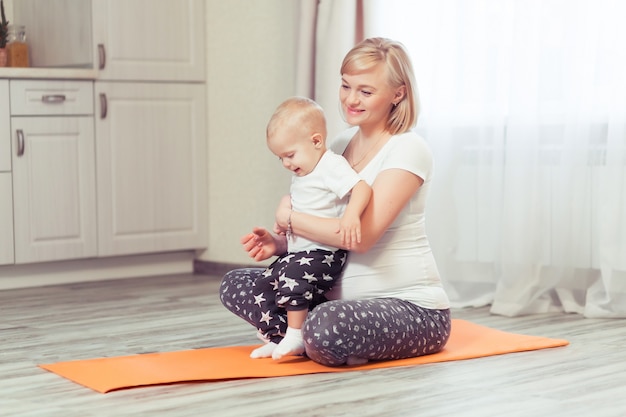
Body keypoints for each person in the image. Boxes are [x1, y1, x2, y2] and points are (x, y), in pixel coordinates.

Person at [220, 37, 451, 366]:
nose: (351, 100)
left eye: (365, 91)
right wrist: (284, 243)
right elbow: (326, 227)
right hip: (329, 299)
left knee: (326, 326)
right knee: (237, 283)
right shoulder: (339, 145)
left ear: (398, 94)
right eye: (346, 86)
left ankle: (308, 335)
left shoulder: (408, 149)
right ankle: (304, 336)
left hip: (410, 307)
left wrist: (290, 218)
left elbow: (360, 236)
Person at [242, 96, 372, 360]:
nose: (287, 164)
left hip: (324, 253)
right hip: (300, 253)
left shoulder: (330, 165)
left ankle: (295, 334)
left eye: (290, 155)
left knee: (292, 277)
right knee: (265, 284)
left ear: (316, 141)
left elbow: (361, 188)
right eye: (281, 158)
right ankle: (278, 336)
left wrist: (351, 216)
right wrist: (279, 244)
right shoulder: (303, 174)